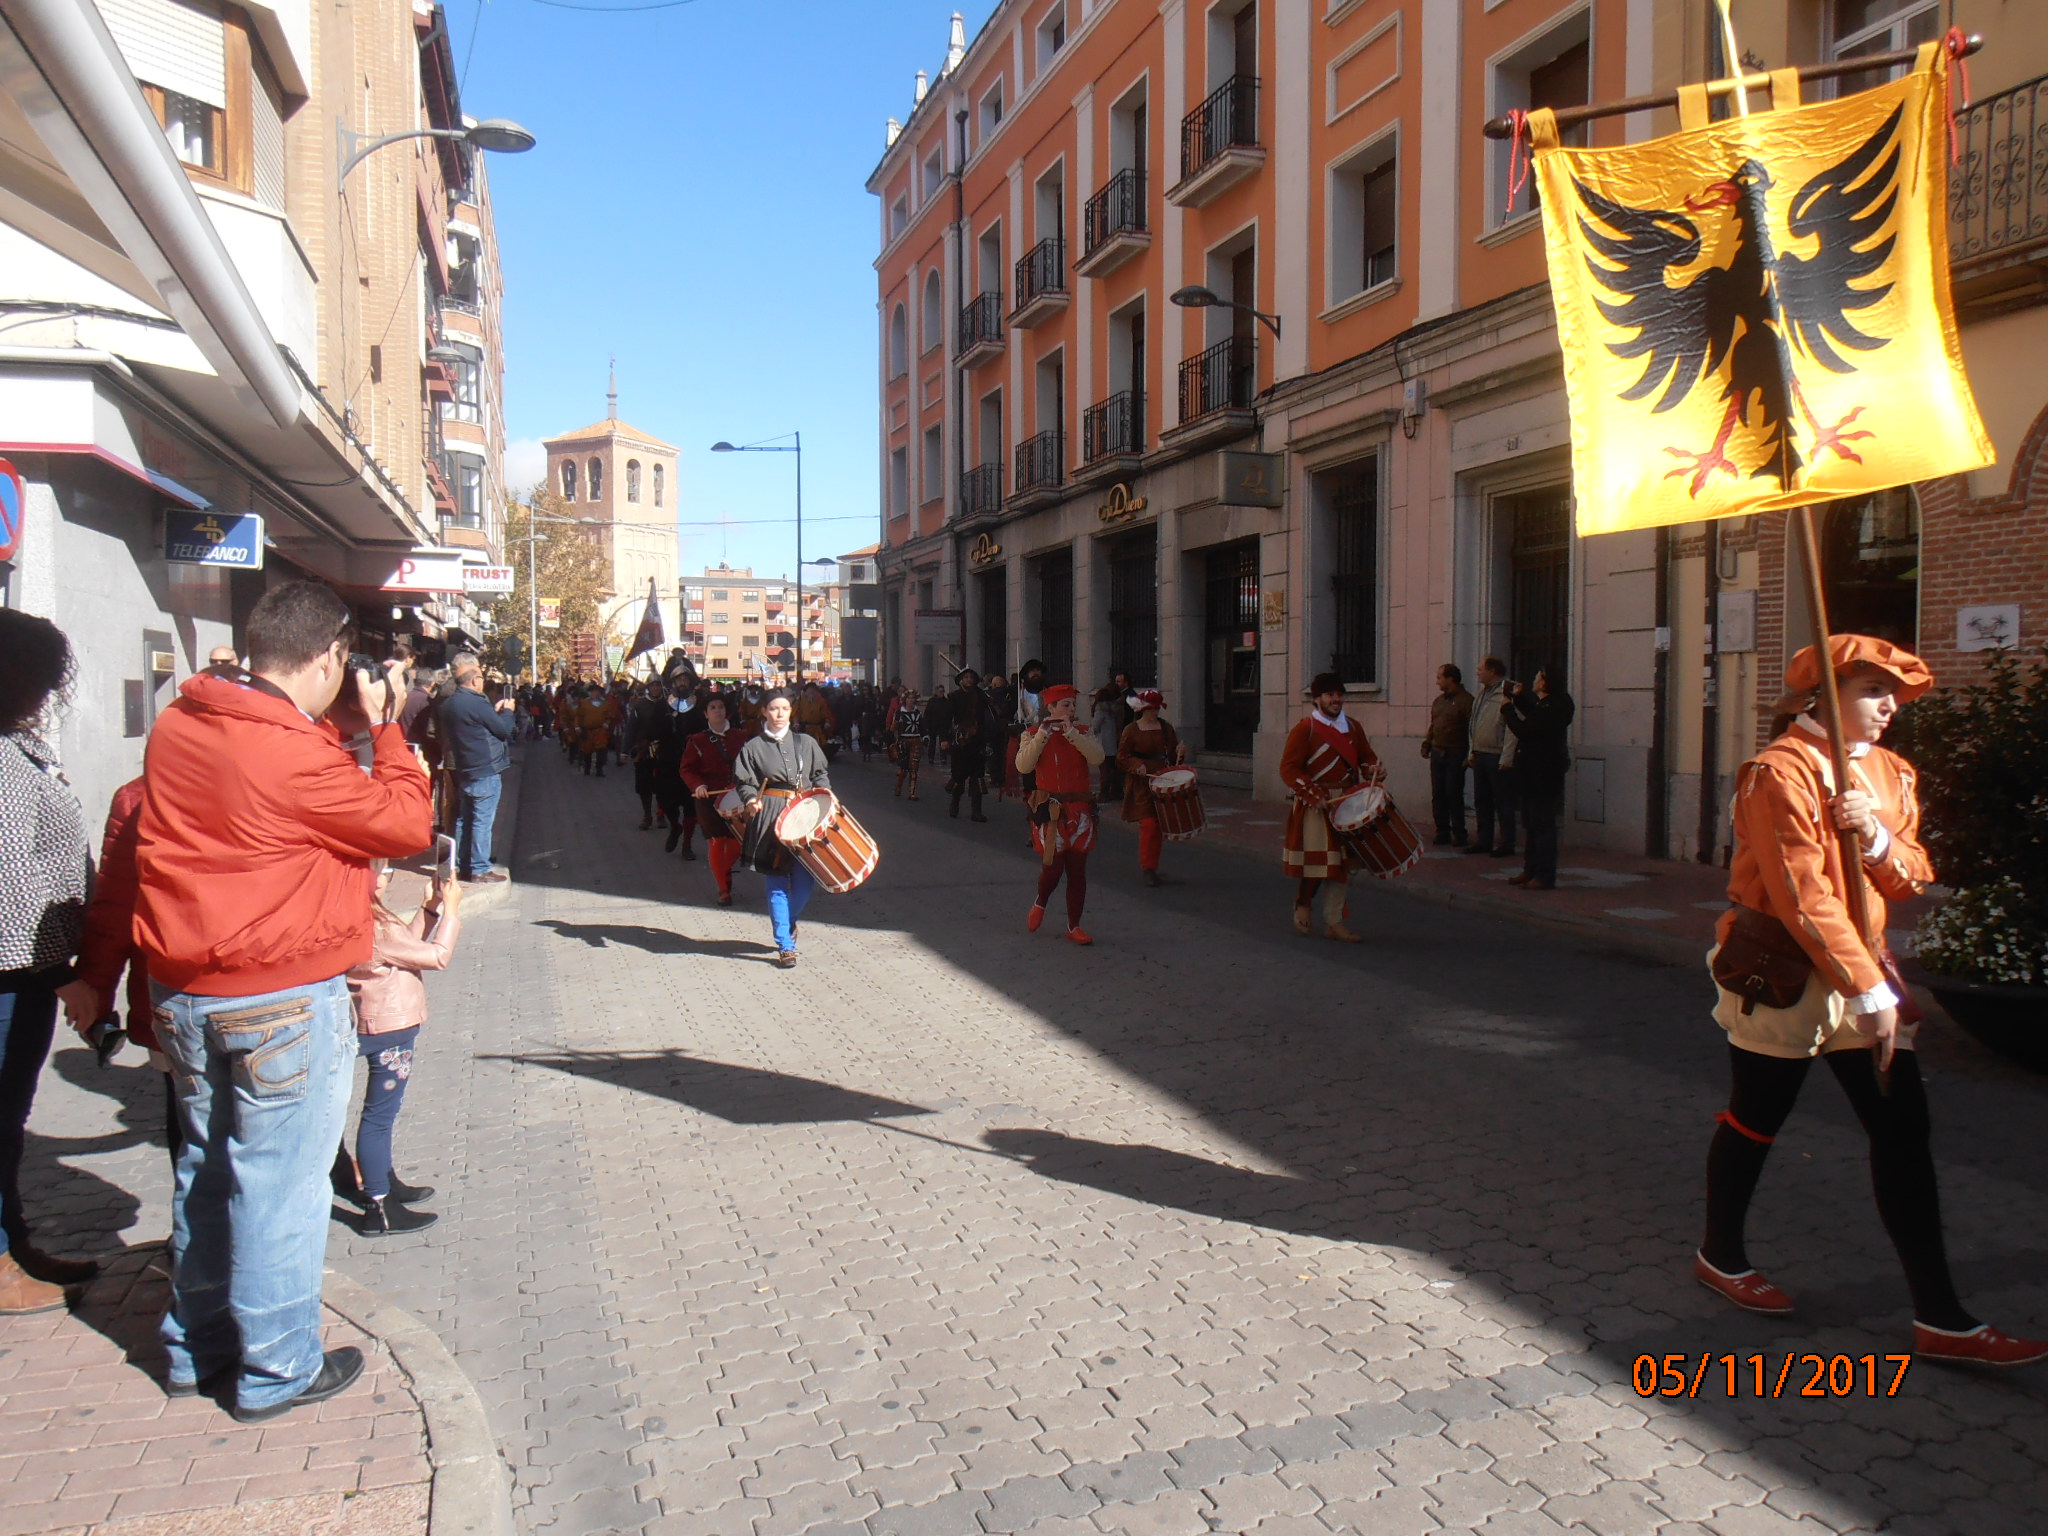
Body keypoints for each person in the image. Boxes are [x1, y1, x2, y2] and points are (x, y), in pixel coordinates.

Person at [1694, 635, 2046, 1365]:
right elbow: (1801, 896)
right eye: (1872, 691)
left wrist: (1877, 838)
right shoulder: (1777, 772)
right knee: (1757, 1118)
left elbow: (1912, 876)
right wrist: (1868, 988)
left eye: (1896, 694)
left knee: (1902, 1131)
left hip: (1864, 977)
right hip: (1782, 973)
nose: (1890, 707)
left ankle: (1941, 1317)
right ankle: (1721, 1254)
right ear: (1823, 693)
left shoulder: (1889, 772)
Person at [134, 580, 431, 1421]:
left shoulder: (185, 720)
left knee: (203, 1170)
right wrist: (386, 724)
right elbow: (405, 825)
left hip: (186, 989)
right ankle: (277, 1369)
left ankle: (198, 1348)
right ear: (334, 656)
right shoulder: (292, 753)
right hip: (278, 997)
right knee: (279, 1187)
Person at [0, 612, 96, 1313]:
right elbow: (10, 877)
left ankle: (14, 1240)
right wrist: (60, 975)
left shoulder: (14, 748)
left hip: (25, 969)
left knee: (9, 1117)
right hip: (13, 971)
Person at [339, 863, 460, 1236]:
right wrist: (452, 910)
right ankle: (379, 1206)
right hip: (390, 1028)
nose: (387, 877)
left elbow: (403, 949)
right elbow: (436, 956)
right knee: (379, 1117)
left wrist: (428, 911)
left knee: (379, 1116)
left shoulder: (356, 917)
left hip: (375, 1020)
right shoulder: (375, 925)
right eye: (382, 870)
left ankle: (385, 1181)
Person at [1278, 672, 1386, 943]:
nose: (1336, 700)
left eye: (1339, 694)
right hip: (1317, 803)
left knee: (1341, 864)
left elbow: (1365, 758)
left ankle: (1333, 922)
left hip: (1347, 802)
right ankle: (1303, 901)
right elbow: (1289, 768)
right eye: (1329, 695)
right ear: (1317, 699)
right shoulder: (1306, 729)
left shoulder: (1352, 726)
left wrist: (1374, 769)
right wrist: (1313, 794)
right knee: (1320, 863)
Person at [733, 691, 832, 967]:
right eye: (774, 708)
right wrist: (751, 799)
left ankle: (788, 922)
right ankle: (785, 945)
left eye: (785, 708)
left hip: (805, 816)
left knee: (804, 884)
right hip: (770, 817)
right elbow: (744, 781)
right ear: (764, 711)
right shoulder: (753, 747)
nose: (780, 713)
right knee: (776, 883)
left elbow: (820, 774)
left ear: (791, 711)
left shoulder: (806, 742)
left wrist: (825, 797)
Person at [1015, 684, 1105, 944]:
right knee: (1053, 869)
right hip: (1050, 810)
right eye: (1065, 705)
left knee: (1077, 871)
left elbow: (1098, 758)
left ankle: (1074, 925)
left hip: (1079, 809)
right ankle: (1041, 901)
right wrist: (1042, 735)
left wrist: (1072, 733)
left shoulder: (1083, 732)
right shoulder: (1032, 733)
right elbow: (1024, 765)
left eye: (1073, 705)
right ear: (1051, 708)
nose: (1071, 709)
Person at [439, 659, 515, 884]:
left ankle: (463, 865)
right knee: (482, 820)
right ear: (475, 680)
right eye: (481, 677)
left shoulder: (451, 704)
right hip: (485, 768)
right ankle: (480, 868)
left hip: (465, 766)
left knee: (465, 818)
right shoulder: (477, 702)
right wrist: (508, 712)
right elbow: (504, 730)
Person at [1501, 669, 1574, 891]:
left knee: (1543, 827)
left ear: (1545, 683)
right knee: (1531, 825)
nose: (1533, 679)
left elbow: (1527, 730)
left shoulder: (1556, 706)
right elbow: (1535, 715)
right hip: (1531, 776)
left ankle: (1544, 875)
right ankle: (1530, 869)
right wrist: (1519, 699)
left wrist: (1507, 710)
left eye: (1537, 677)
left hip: (1543, 776)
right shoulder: (1547, 706)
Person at [681, 694, 751, 905]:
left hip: (737, 797)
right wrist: (698, 785)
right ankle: (723, 889)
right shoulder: (697, 741)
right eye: (712, 707)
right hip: (708, 799)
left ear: (726, 711)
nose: (718, 711)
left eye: (721, 707)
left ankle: (723, 870)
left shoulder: (741, 737)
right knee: (716, 841)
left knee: (738, 844)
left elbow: (751, 765)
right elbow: (687, 769)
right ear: (705, 713)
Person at [1116, 690, 1185, 888]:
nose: (1155, 712)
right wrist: (1136, 764)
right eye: (1151, 709)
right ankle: (1148, 868)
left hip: (1161, 780)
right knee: (1149, 825)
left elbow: (1172, 758)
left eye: (1157, 708)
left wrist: (1180, 753)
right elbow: (1122, 757)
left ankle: (1152, 866)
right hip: (1141, 783)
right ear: (1142, 709)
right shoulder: (1131, 730)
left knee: (1158, 826)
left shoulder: (1166, 728)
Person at [1465, 657, 1518, 859]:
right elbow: (1474, 723)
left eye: (1481, 669)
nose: (1478, 672)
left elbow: (1512, 728)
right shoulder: (1482, 693)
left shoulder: (1508, 691)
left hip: (1497, 754)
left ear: (1492, 670)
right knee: (1482, 800)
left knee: (1503, 801)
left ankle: (1507, 842)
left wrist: (1507, 757)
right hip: (1481, 753)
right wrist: (1472, 750)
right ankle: (1484, 840)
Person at [1423, 663, 1473, 847]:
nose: (1437, 682)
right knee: (1438, 794)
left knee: (1453, 793)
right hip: (1438, 752)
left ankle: (1459, 832)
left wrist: (1470, 753)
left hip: (1456, 752)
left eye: (1439, 677)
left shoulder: (1466, 701)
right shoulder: (1439, 701)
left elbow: (1472, 729)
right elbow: (1434, 725)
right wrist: (1427, 743)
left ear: (1450, 678)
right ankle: (1442, 831)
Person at [946, 670, 996, 823]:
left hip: (977, 741)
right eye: (966, 677)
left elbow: (990, 715)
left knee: (977, 777)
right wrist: (946, 738)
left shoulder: (981, 696)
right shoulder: (954, 697)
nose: (969, 680)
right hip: (960, 741)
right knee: (959, 776)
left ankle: (977, 812)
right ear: (961, 680)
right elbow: (948, 719)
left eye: (971, 678)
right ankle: (955, 804)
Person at [889, 689, 926, 800]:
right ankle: (899, 786)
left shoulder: (918, 713)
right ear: (905, 700)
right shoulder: (900, 712)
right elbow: (893, 729)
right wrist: (896, 721)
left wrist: (925, 737)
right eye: (909, 698)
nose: (911, 700)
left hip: (915, 741)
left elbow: (922, 727)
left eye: (913, 698)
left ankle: (912, 792)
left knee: (914, 768)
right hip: (904, 741)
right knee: (904, 768)